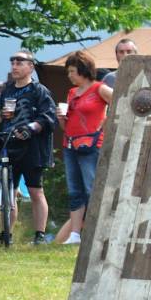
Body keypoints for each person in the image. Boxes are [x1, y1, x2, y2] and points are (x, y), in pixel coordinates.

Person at [0, 49, 56, 244]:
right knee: (8, 192)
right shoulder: (6, 90)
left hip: (32, 148)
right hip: (8, 145)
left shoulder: (39, 91)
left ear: (30, 67)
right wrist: (1, 115)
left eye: (20, 62)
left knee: (35, 190)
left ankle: (39, 235)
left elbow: (48, 117)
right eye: (13, 62)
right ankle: (6, 235)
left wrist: (30, 129)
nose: (15, 66)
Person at [57, 51, 113, 244]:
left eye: (72, 71)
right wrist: (61, 118)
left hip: (91, 144)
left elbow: (120, 104)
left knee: (92, 188)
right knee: (75, 191)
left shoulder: (100, 88)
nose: (69, 76)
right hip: (70, 143)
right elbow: (66, 126)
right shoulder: (72, 93)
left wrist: (104, 123)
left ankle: (98, 231)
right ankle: (75, 234)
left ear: (83, 70)